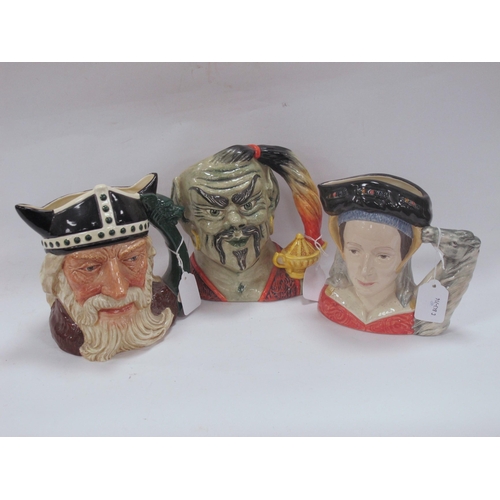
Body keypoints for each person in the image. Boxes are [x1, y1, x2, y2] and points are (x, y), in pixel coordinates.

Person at [16, 174, 179, 361]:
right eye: (90, 268)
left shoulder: (161, 299)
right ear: (56, 278)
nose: (119, 291)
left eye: (132, 258)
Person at [317, 174, 481, 335]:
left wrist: (432, 236)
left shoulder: (417, 314)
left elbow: (466, 250)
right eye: (354, 251)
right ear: (341, 247)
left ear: (405, 255)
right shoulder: (332, 299)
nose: (365, 270)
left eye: (383, 256)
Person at [171, 144, 325, 302]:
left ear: (271, 199)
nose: (235, 221)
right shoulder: (181, 283)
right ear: (186, 219)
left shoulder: (297, 277)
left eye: (248, 205)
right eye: (214, 212)